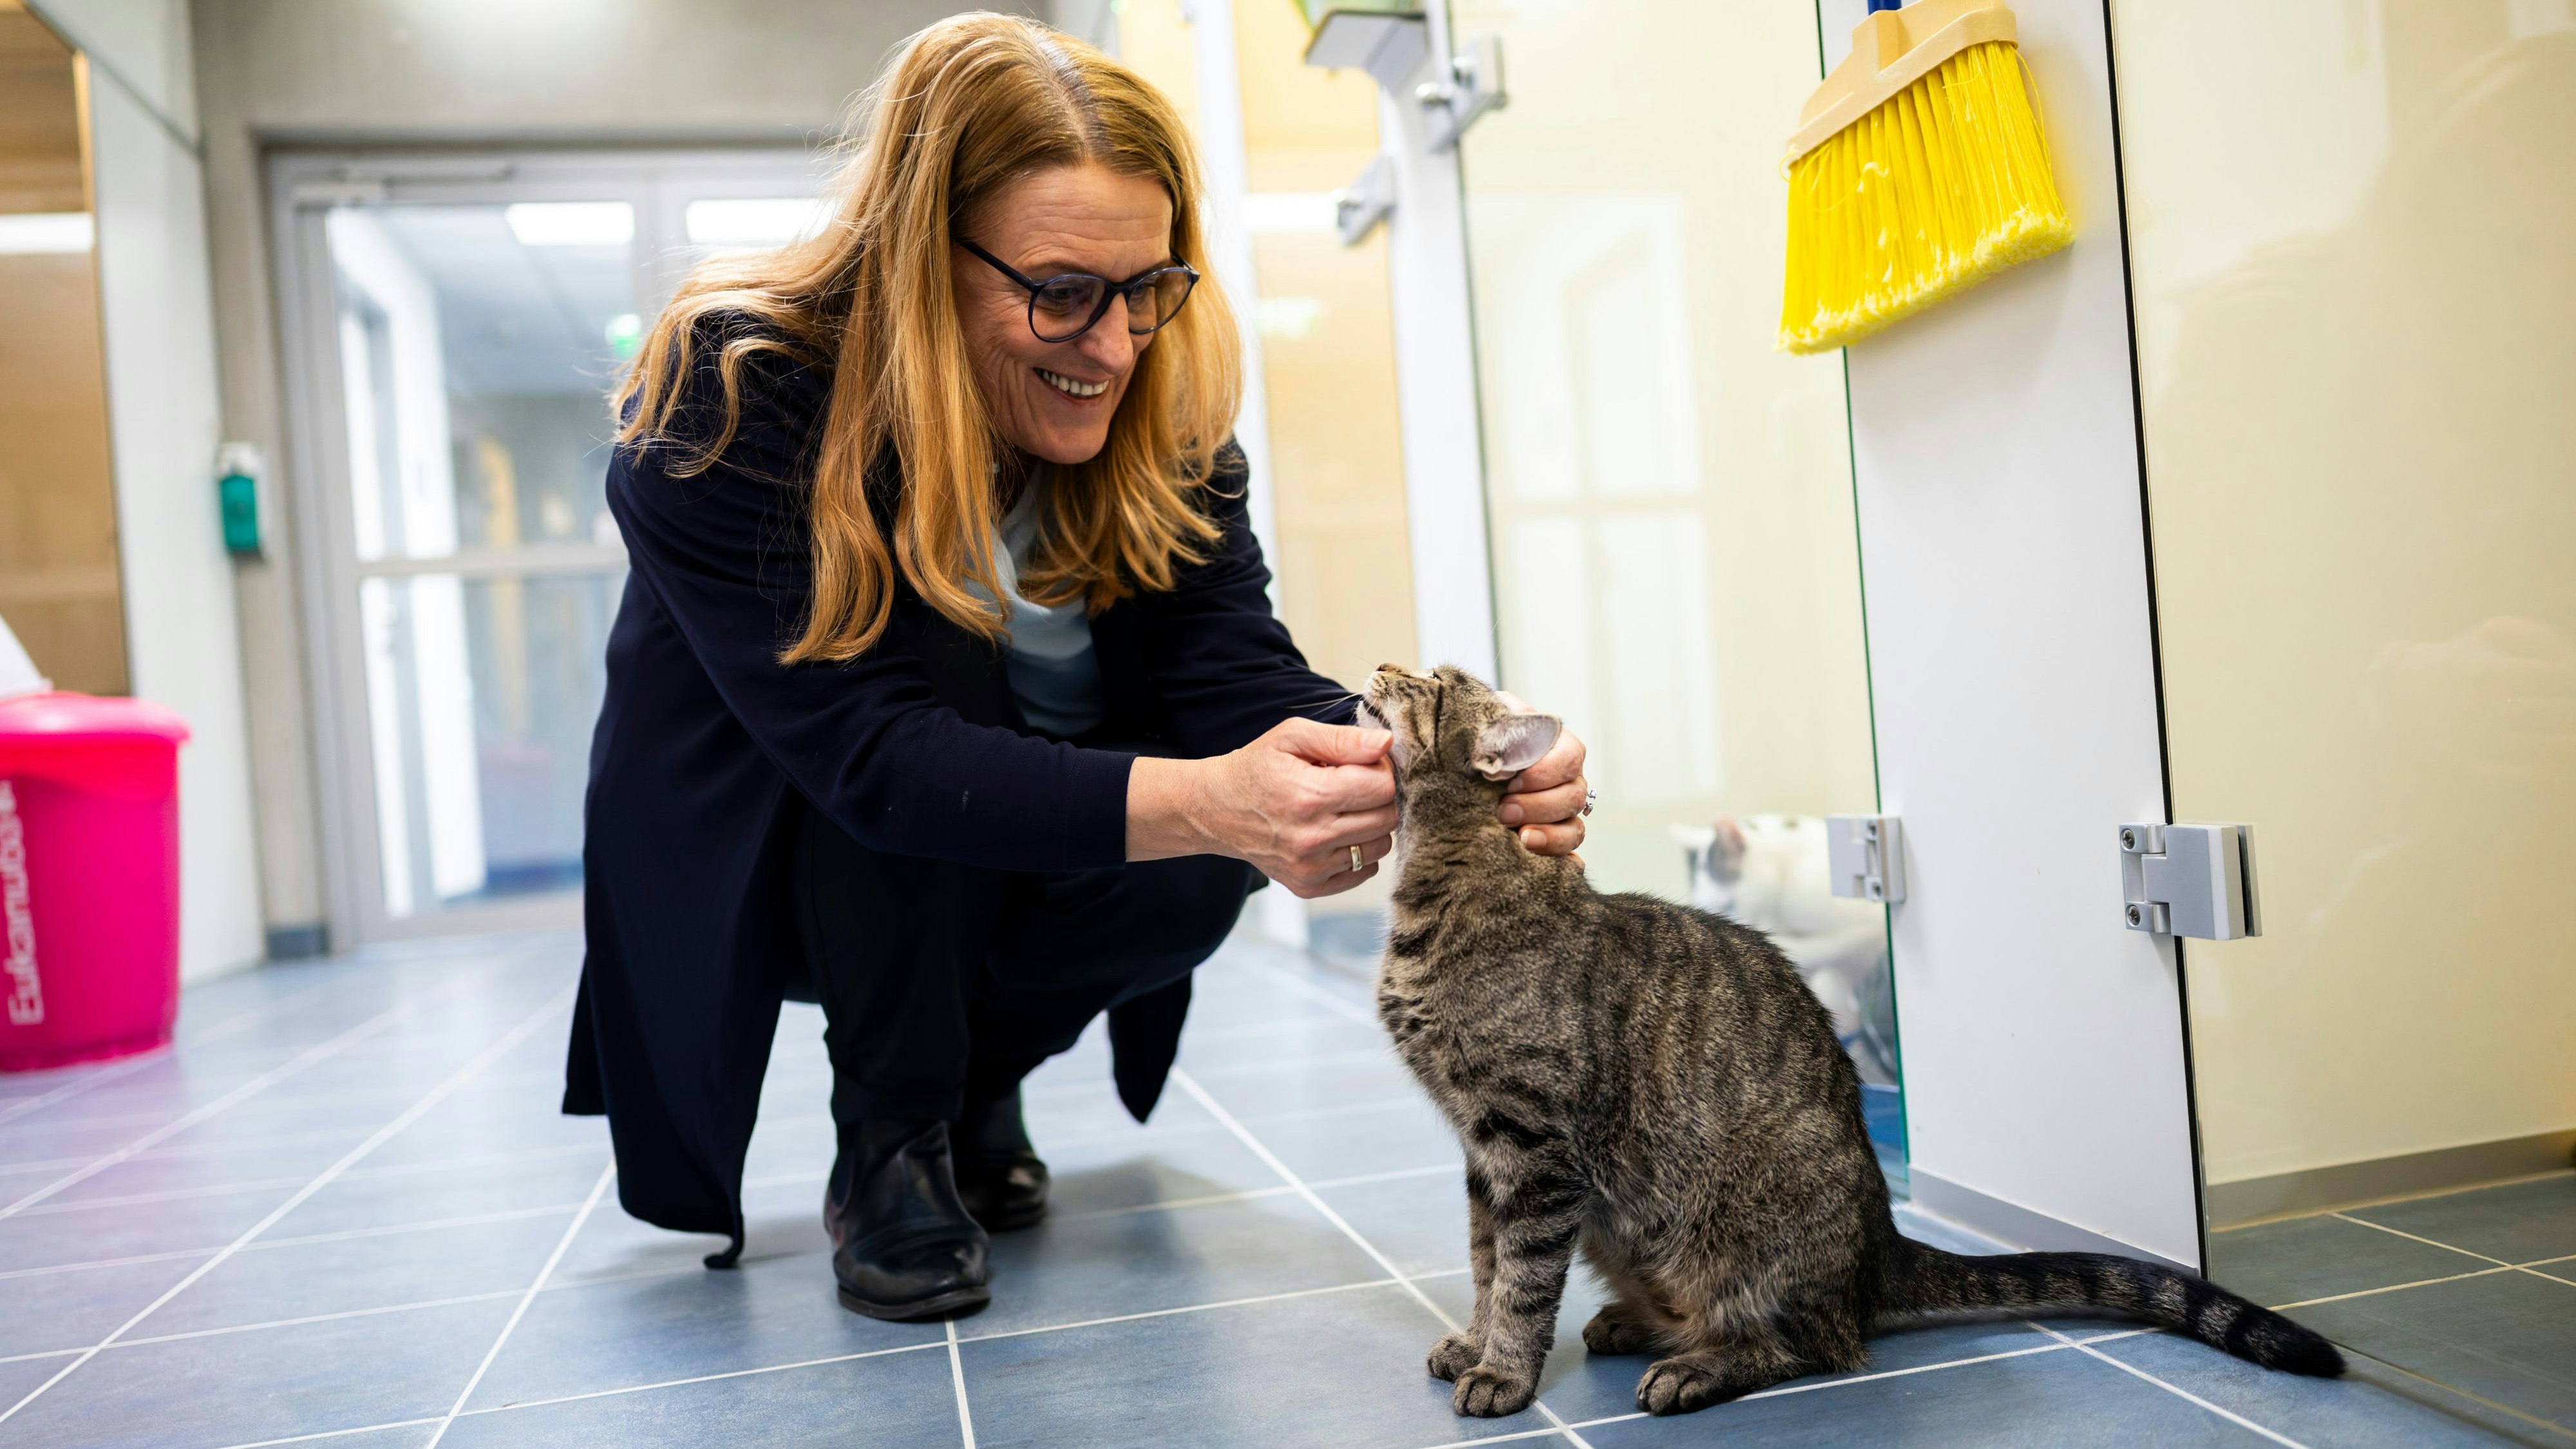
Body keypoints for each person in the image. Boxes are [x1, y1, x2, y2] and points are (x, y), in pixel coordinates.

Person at [562, 13, 1589, 1322]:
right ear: (919, 258)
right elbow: (871, 757)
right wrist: (1215, 798)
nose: (1111, 346)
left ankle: (956, 1078)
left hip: (993, 843)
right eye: (1058, 291)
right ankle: (890, 1138)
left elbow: (1230, 675)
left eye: (1147, 288)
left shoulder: (1156, 413)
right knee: (945, 691)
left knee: (1191, 870)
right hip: (789, 852)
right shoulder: (732, 391)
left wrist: (1448, 767)